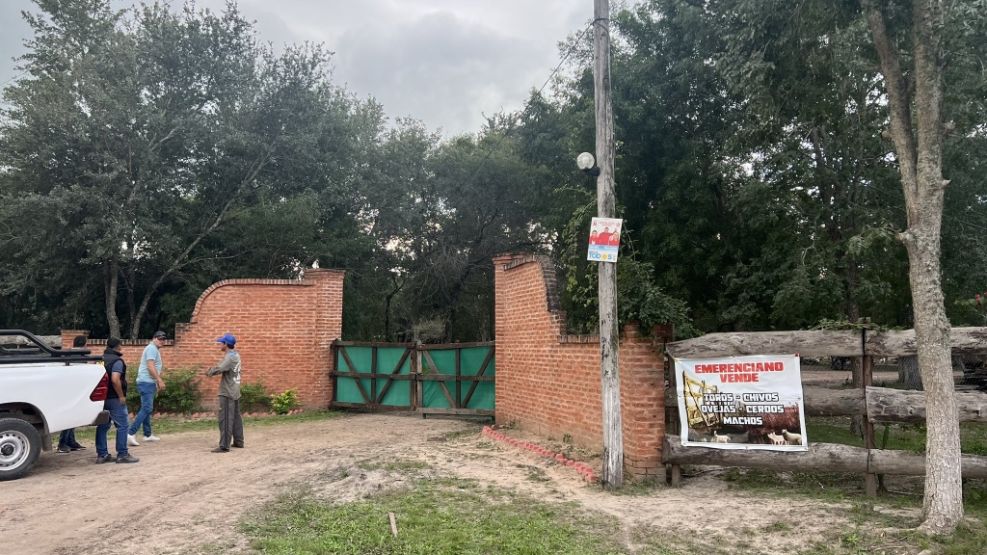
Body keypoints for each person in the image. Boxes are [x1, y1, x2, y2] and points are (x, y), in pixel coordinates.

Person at [95, 337, 138, 464]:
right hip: (114, 398)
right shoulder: (117, 361)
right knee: (123, 425)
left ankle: (102, 455)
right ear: (118, 346)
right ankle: (122, 454)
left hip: (102, 398)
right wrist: (121, 396)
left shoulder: (100, 360)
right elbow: (115, 379)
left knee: (103, 426)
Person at [127, 330, 167, 446]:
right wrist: (159, 380)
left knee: (146, 408)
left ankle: (147, 434)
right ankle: (130, 433)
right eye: (159, 338)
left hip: (148, 382)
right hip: (146, 382)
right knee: (147, 408)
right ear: (154, 338)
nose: (162, 341)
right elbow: (150, 366)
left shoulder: (153, 349)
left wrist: (155, 382)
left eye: (163, 339)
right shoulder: (151, 349)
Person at [206, 333, 243, 453]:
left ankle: (224, 446)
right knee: (236, 418)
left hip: (227, 392)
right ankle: (239, 441)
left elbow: (221, 368)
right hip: (235, 390)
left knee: (226, 418)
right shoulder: (235, 354)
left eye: (221, 342)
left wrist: (209, 372)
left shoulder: (229, 357)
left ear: (226, 344)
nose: (219, 344)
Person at [57, 335, 90, 453]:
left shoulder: (67, 354)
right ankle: (62, 443)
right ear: (84, 343)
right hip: (75, 390)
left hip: (67, 389)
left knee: (73, 417)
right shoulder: (83, 355)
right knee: (70, 417)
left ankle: (71, 441)